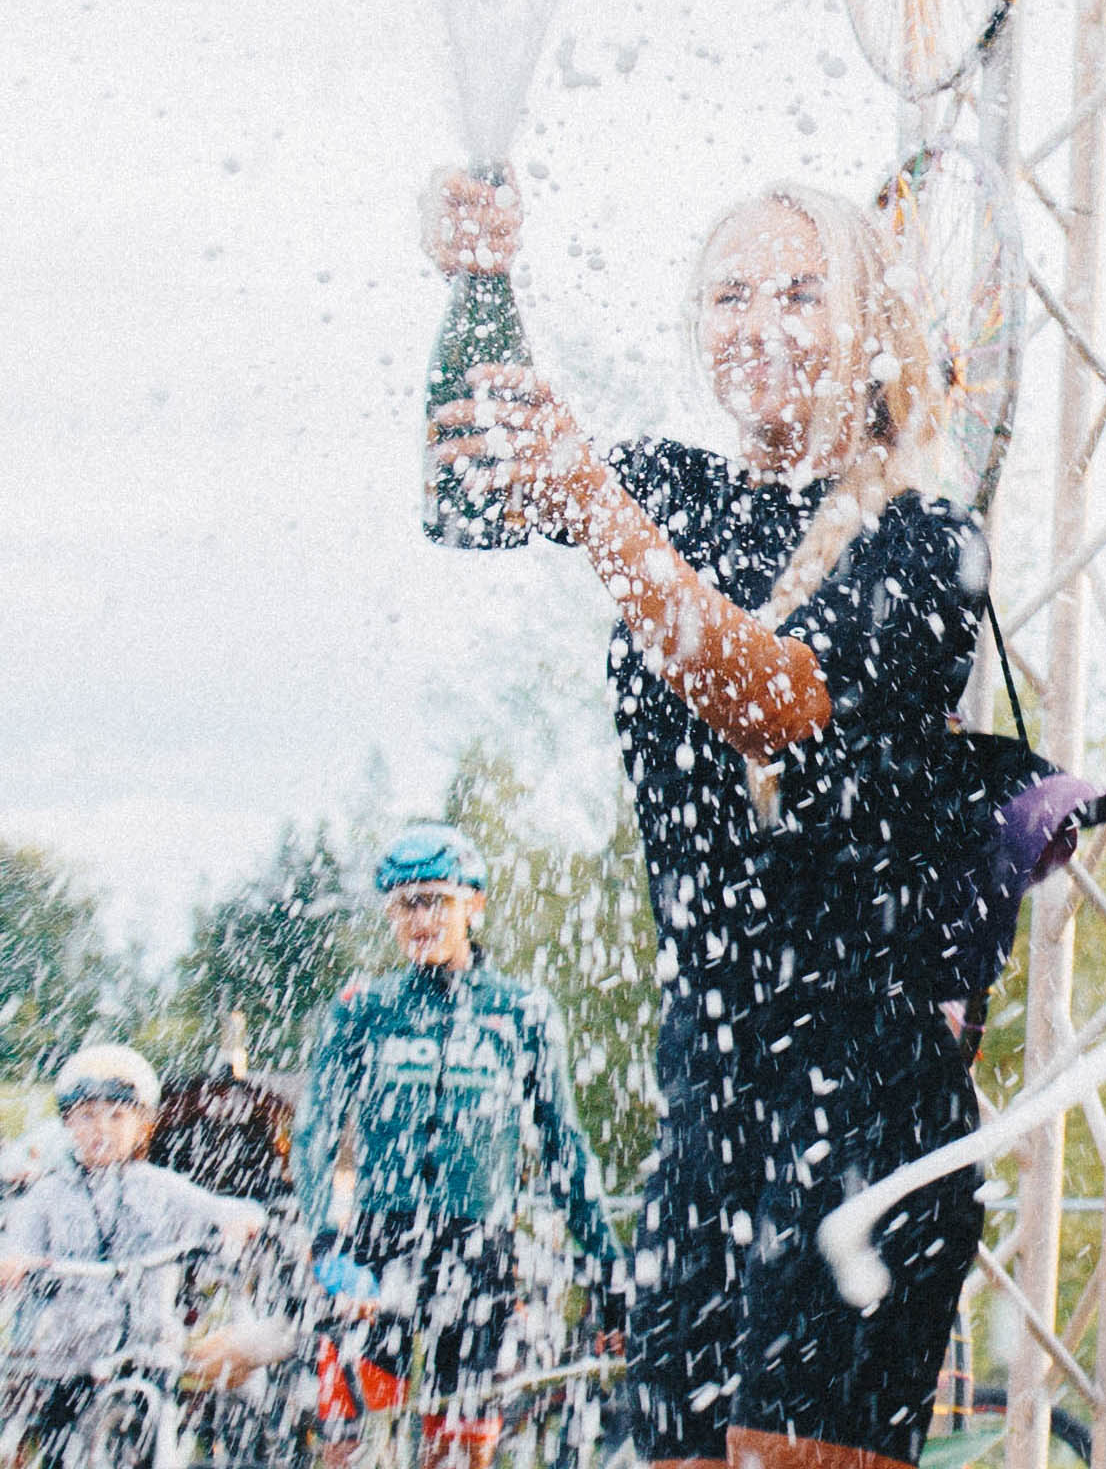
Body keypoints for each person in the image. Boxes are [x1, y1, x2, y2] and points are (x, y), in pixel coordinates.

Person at [426, 175, 1012, 1469]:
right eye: (728, 295)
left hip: (865, 1096)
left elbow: (772, 704)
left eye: (801, 293)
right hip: (707, 1097)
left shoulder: (928, 540)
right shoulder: (669, 488)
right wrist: (478, 285)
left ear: (870, 326)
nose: (758, 323)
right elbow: (461, 496)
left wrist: (597, 509)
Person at [295, 823, 618, 1469]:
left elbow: (563, 1144)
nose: (420, 920)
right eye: (405, 905)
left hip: (478, 1249)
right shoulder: (363, 1007)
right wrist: (325, 1236)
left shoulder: (522, 1010)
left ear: (475, 904)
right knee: (348, 1443)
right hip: (379, 1244)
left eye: (437, 901)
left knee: (459, 1451)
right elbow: (316, 1130)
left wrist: (607, 1260)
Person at [0, 1047, 270, 1440]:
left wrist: (240, 1221)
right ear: (68, 1124)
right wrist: (14, 1263)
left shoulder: (159, 1187)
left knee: (158, 1428)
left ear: (142, 1124)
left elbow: (224, 1209)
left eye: (117, 1116)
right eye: (87, 1116)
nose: (102, 1129)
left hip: (148, 1350)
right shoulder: (48, 1194)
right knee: (53, 1435)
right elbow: (16, 1246)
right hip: (68, 1357)